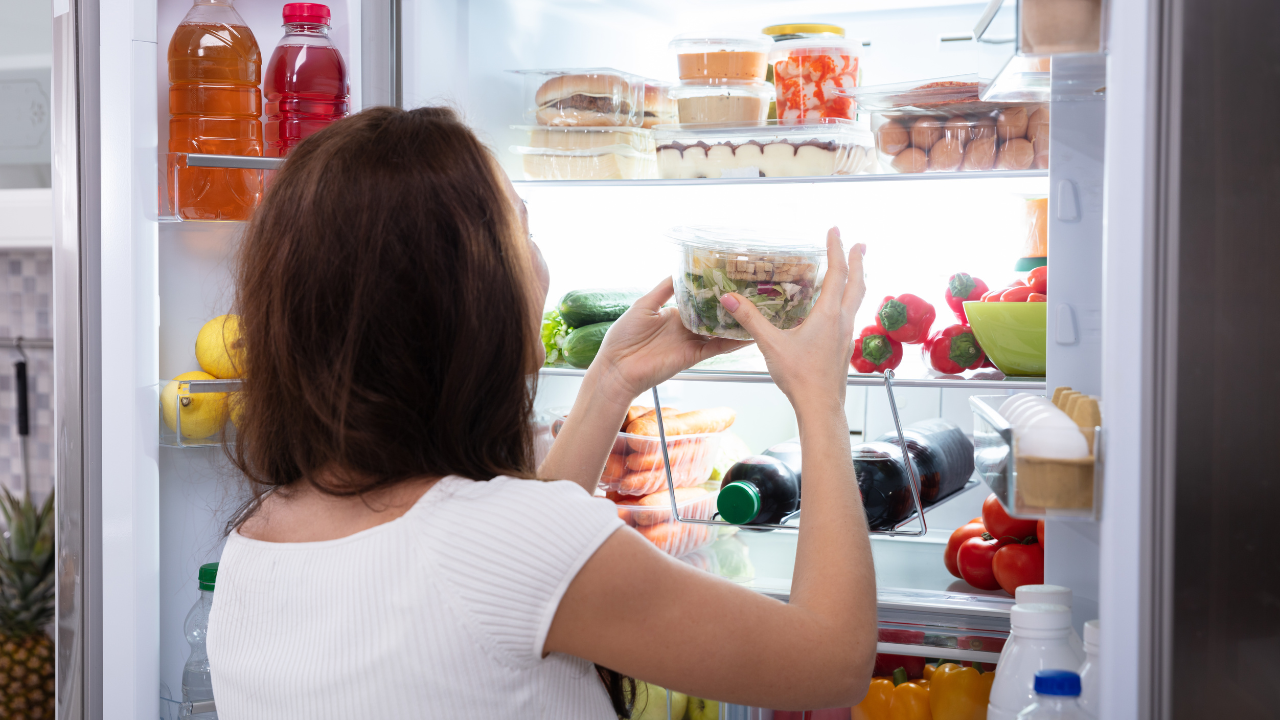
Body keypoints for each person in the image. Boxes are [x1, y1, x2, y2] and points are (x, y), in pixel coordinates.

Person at [206, 106, 876, 719]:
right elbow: (831, 662)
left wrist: (612, 380)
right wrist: (820, 401)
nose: (538, 260)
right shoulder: (502, 543)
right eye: (521, 230)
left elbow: (497, 593)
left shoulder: (255, 540)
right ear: (469, 295)